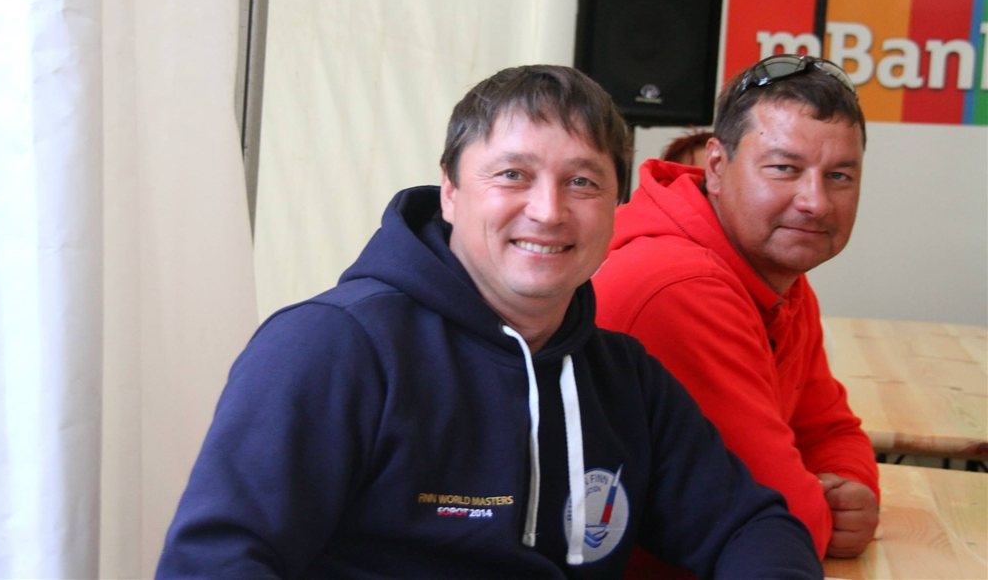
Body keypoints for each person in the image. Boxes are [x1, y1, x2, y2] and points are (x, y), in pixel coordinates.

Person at [156, 64, 822, 579]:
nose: (548, 211)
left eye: (583, 182)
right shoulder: (331, 348)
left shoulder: (625, 382)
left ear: (616, 205)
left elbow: (753, 527)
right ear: (450, 191)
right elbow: (214, 565)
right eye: (512, 175)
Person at [593, 55, 880, 572]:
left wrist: (850, 487)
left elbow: (831, 432)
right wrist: (821, 508)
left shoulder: (778, 276)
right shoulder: (680, 286)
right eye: (784, 169)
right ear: (717, 167)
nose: (815, 202)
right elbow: (778, 524)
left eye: (839, 175)